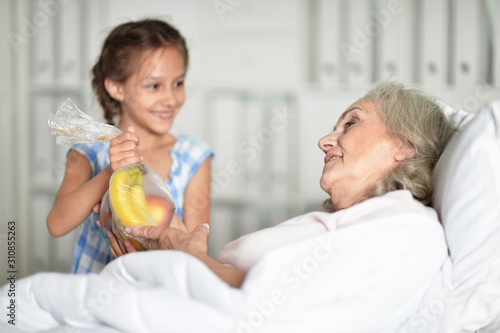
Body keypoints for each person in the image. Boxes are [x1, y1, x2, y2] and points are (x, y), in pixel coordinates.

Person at [107, 80, 457, 288]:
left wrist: (190, 263)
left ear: (403, 145)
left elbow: (274, 313)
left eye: (350, 124)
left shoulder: (403, 230)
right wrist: (173, 253)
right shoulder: (360, 224)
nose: (324, 140)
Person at [46, 19, 213, 274]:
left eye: (178, 83)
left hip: (163, 294)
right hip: (95, 294)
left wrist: (154, 245)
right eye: (154, 85)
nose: (171, 99)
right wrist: (111, 171)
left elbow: (196, 248)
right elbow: (56, 224)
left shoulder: (194, 157)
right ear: (116, 87)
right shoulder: (89, 153)